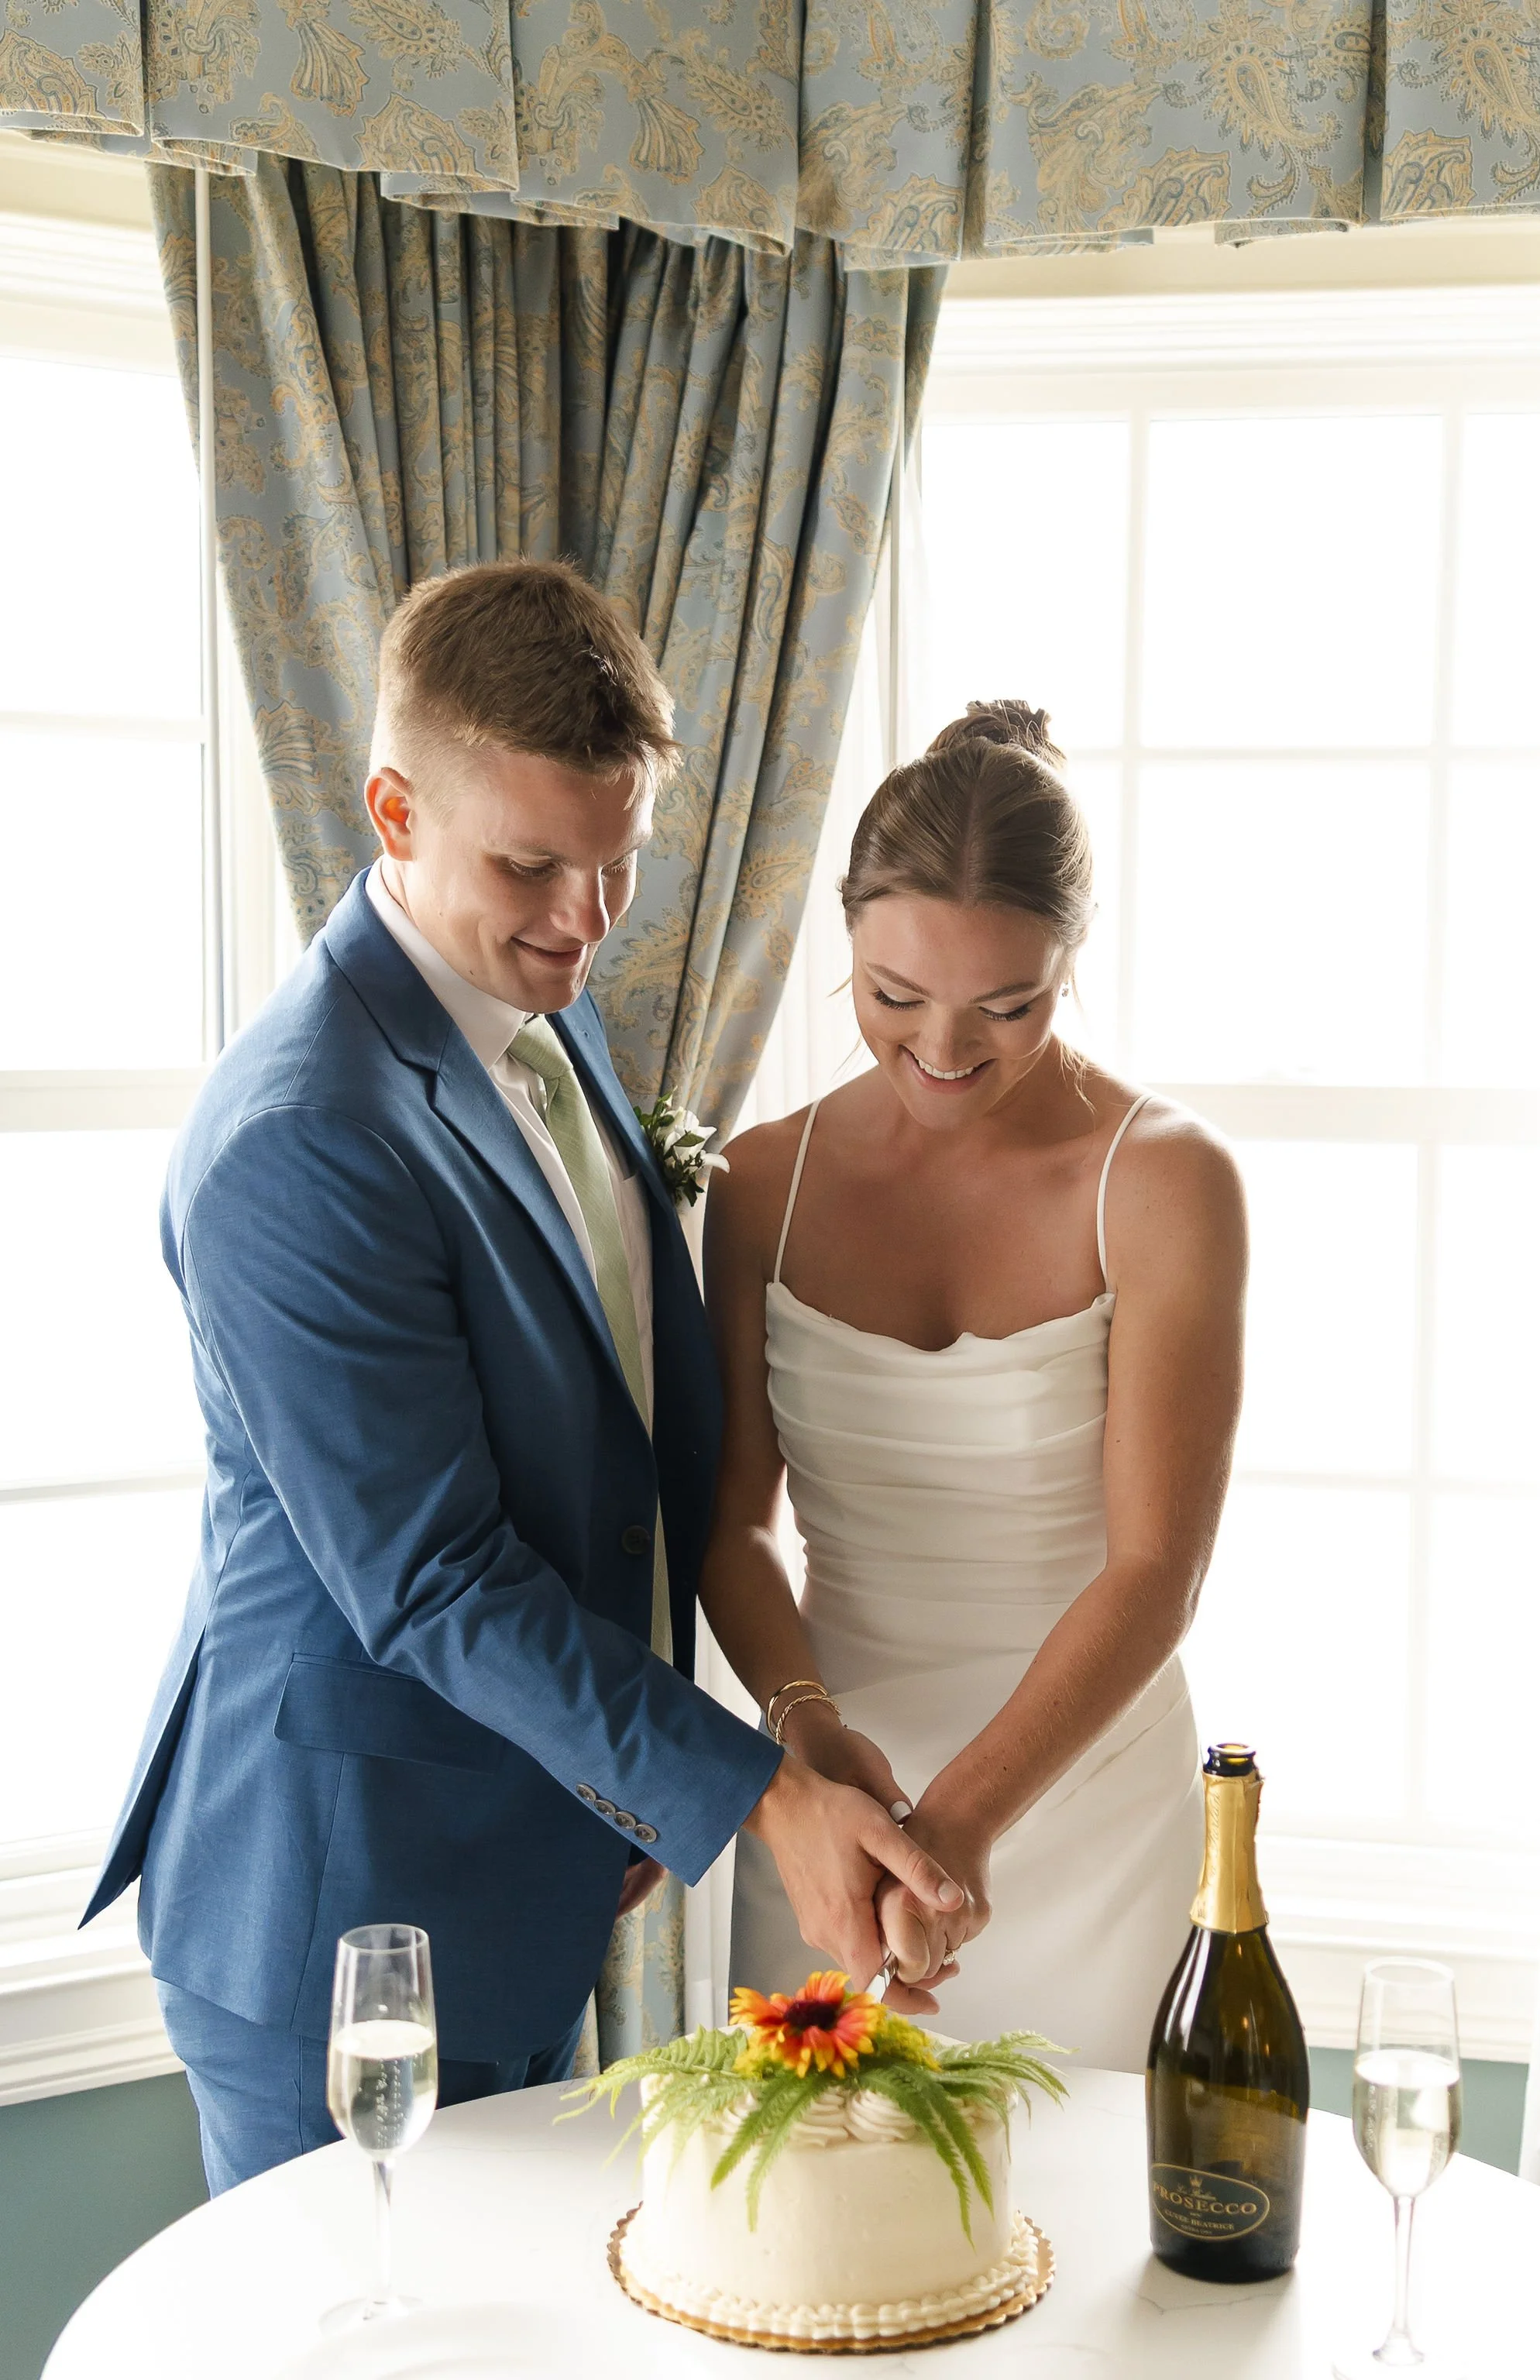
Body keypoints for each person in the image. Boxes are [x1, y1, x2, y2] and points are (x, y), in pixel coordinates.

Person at [84, 560, 961, 2192]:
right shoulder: (301, 1137)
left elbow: (603, 1450)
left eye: (619, 863)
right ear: (392, 811)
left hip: (521, 1868)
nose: (585, 918)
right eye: (531, 865)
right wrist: (746, 1797)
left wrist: (626, 1788)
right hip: (336, 1922)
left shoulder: (542, 1016)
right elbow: (431, 1576)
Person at [705, 700, 1247, 2066]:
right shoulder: (760, 1183)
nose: (944, 1049)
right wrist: (805, 1740)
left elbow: (1158, 1571)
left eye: (1008, 1006)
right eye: (893, 998)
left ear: (1071, 959)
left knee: (1099, 2180)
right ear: (845, 940)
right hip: (834, 1813)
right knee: (815, 2183)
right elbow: (731, 1526)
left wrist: (959, 1827)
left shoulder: (1168, 1181)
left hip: (1087, 1803)